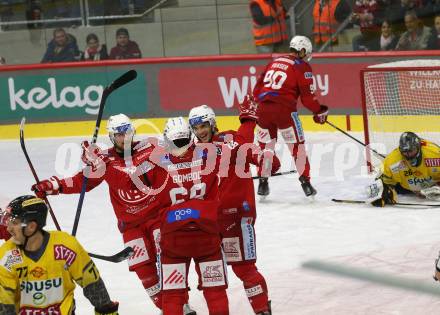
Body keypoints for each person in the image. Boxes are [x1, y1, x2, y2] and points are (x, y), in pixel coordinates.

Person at [31, 114, 196, 315]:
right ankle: (166, 307)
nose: (124, 137)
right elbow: (83, 181)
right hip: (131, 226)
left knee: (167, 260)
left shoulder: (151, 147)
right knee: (144, 272)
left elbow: (178, 148)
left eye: (127, 132)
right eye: (118, 134)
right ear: (111, 136)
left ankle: (181, 304)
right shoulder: (105, 161)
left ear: (133, 131)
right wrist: (53, 186)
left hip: (158, 217)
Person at [188, 101, 278, 315]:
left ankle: (262, 309)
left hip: (236, 219)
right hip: (207, 223)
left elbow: (265, 161)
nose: (200, 132)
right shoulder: (191, 152)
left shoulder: (230, 140)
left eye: (203, 126)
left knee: (244, 268)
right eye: (196, 127)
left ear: (212, 124)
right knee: (210, 275)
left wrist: (265, 159)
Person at [133, 117, 230, 315]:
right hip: (207, 235)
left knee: (173, 295)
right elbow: (234, 150)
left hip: (173, 240)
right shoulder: (210, 154)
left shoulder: (152, 162)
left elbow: (130, 177)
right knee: (215, 292)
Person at [0, 195, 119, 314]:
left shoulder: (65, 247)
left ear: (31, 226)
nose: (8, 228)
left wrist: (107, 311)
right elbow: (4, 302)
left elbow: (92, 284)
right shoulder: (7, 255)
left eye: (14, 223)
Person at [252, 35, 329, 198]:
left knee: (266, 148)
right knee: (297, 147)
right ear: (301, 51)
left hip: (263, 110)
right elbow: (308, 98)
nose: (307, 56)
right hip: (285, 111)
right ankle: (306, 183)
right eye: (306, 53)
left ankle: (263, 183)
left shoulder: (273, 62)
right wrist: (319, 111)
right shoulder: (302, 66)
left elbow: (256, 90)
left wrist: (265, 105)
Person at [366, 132, 440, 207]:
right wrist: (380, 193)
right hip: (405, 188)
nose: (408, 155)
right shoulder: (392, 160)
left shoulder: (435, 153)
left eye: (411, 151)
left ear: (418, 147)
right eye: (405, 152)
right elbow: (380, 180)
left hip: (434, 184)